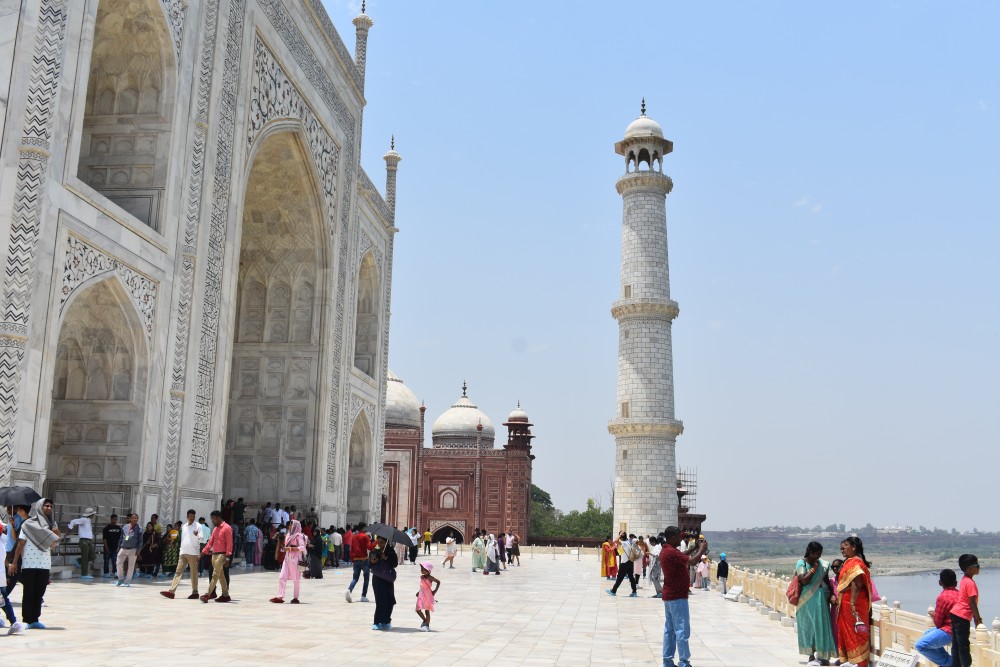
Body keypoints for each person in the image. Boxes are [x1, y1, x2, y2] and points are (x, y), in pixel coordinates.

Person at [660, 526, 708, 667]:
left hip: (669, 596)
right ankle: (684, 662)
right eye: (679, 537)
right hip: (677, 597)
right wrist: (701, 550)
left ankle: (667, 661)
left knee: (670, 631)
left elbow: (683, 556)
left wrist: (693, 548)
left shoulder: (666, 550)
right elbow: (692, 561)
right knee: (682, 630)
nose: (682, 539)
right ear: (673, 537)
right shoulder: (671, 552)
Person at [9, 498, 60, 629]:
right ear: (39, 507)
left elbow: (54, 544)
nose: (48, 508)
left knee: (39, 593)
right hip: (29, 563)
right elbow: (21, 543)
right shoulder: (28, 524)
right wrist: (14, 562)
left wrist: (56, 533)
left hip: (44, 564)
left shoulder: (51, 525)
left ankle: (35, 619)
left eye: (50, 506)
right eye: (46, 506)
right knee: (29, 592)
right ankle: (27, 619)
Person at [795, 542, 837, 666]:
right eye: (816, 554)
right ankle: (811, 655)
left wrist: (831, 594)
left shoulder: (823, 565)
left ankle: (823, 655)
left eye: (820, 554)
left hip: (820, 599)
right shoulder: (801, 563)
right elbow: (804, 579)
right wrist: (814, 568)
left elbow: (826, 581)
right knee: (809, 627)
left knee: (821, 626)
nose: (818, 556)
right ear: (810, 552)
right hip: (806, 601)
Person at [836, 536, 873, 667]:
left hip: (854, 603)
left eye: (845, 547)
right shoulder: (849, 561)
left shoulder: (856, 563)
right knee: (849, 632)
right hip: (846, 602)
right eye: (841, 548)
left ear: (854, 547)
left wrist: (852, 603)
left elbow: (857, 584)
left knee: (857, 632)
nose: (842, 550)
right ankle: (854, 661)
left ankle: (861, 663)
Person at [914, 568, 960, 667]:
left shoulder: (943, 597)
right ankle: (947, 662)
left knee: (920, 645)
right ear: (956, 583)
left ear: (940, 582)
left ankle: (949, 663)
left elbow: (938, 623)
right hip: (959, 630)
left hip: (949, 631)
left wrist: (933, 614)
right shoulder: (960, 595)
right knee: (927, 633)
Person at [950, 554, 984, 667]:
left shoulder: (964, 579)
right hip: (962, 615)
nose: (979, 567)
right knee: (963, 645)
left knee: (956, 644)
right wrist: (978, 619)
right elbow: (972, 603)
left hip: (955, 613)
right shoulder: (970, 583)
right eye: (977, 565)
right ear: (970, 568)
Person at [161, 510, 202, 599]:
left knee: (193, 574)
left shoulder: (198, 526)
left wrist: (197, 535)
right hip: (183, 553)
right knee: (178, 572)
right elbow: (183, 539)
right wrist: (181, 550)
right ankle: (171, 592)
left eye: (193, 516)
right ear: (187, 516)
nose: (192, 518)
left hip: (193, 553)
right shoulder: (184, 527)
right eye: (190, 516)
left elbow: (201, 539)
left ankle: (195, 592)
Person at [200, 510, 232, 603]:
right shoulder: (215, 529)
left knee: (215, 575)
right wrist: (202, 553)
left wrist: (227, 558)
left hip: (222, 555)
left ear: (218, 518)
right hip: (214, 554)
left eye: (213, 519)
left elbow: (229, 544)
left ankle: (207, 594)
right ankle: (225, 595)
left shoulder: (227, 528)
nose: (212, 521)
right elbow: (210, 542)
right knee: (221, 576)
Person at [271, 519, 305, 603]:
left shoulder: (299, 536)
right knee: (282, 577)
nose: (290, 526)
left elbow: (302, 548)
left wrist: (290, 548)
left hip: (296, 559)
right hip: (287, 559)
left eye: (291, 525)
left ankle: (295, 597)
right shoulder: (288, 535)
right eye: (289, 525)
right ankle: (280, 596)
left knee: (296, 579)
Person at [0, 517, 24, 634]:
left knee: (3, 600)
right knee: (4, 600)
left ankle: (14, 622)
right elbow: (4, 560)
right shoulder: (2, 542)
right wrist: (9, 564)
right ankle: (14, 622)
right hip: (1, 579)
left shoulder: (2, 542)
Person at [370, 536, 398, 630]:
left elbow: (395, 564)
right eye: (379, 542)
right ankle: (377, 621)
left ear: (386, 542)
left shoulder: (390, 551)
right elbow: (369, 564)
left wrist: (385, 558)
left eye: (382, 542)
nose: (380, 544)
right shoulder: (375, 551)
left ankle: (386, 620)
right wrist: (373, 561)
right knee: (380, 600)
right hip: (378, 579)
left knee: (389, 600)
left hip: (388, 578)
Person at [607, 532, 640, 597]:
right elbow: (622, 551)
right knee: (631, 577)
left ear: (621, 537)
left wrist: (619, 535)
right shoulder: (628, 542)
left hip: (624, 563)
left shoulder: (624, 543)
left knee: (619, 578)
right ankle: (634, 592)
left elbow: (615, 541)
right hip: (630, 562)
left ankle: (613, 591)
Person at [68, 507, 97, 579]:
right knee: (85, 557)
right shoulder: (83, 519)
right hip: (84, 541)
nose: (94, 515)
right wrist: (70, 529)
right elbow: (73, 521)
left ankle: (78, 561)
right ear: (90, 514)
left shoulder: (88, 520)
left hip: (89, 541)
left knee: (93, 556)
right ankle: (84, 574)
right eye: (93, 514)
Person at [345, 523, 371, 603]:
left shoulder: (354, 536)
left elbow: (351, 549)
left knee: (355, 578)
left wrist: (353, 559)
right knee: (366, 579)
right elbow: (370, 547)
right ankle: (363, 596)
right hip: (364, 560)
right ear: (363, 528)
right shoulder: (365, 536)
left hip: (356, 559)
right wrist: (376, 542)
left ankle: (349, 590)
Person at [115, 513, 142, 586]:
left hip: (133, 549)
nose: (135, 519)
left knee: (131, 566)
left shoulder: (139, 528)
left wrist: (138, 550)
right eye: (133, 518)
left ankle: (127, 581)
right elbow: (121, 537)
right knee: (119, 563)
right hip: (123, 548)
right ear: (130, 519)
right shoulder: (125, 527)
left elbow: (140, 541)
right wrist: (119, 547)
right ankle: (120, 579)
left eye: (136, 518)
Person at [415, 561, 440, 632]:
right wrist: (418, 592)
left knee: (427, 611)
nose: (421, 570)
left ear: (427, 570)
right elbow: (422, 586)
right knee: (418, 609)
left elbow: (438, 582)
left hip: (428, 595)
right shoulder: (422, 577)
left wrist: (434, 591)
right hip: (421, 594)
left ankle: (427, 625)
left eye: (422, 568)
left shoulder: (430, 577)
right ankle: (425, 621)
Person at [102, 513, 122, 578]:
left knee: (115, 561)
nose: (115, 520)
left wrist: (119, 547)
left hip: (115, 548)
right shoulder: (106, 528)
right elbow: (104, 539)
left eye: (116, 519)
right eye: (113, 519)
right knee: (106, 561)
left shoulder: (118, 528)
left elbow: (120, 539)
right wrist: (106, 547)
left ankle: (116, 572)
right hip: (107, 547)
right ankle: (106, 573)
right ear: (111, 519)